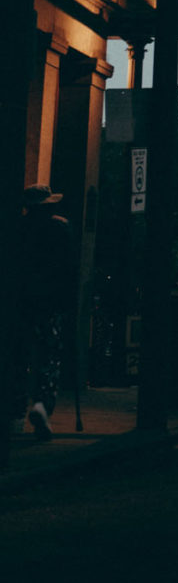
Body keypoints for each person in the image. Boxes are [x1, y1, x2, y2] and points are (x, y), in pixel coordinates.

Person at [16, 184, 73, 441]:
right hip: (50, 302)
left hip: (22, 300)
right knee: (48, 356)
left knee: (20, 354)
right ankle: (42, 404)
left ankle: (15, 409)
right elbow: (68, 267)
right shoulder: (59, 227)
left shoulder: (19, 228)